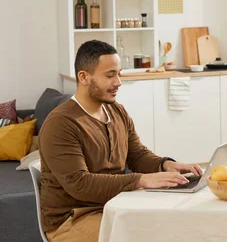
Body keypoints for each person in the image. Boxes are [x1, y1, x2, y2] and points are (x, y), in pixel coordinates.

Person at [39, 40, 202, 242]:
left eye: (119, 74)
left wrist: (165, 164)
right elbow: (80, 184)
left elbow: (136, 155)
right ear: (84, 77)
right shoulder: (61, 123)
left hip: (117, 205)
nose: (118, 82)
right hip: (73, 219)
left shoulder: (116, 111)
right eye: (110, 75)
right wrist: (141, 180)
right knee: (144, 236)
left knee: (177, 223)